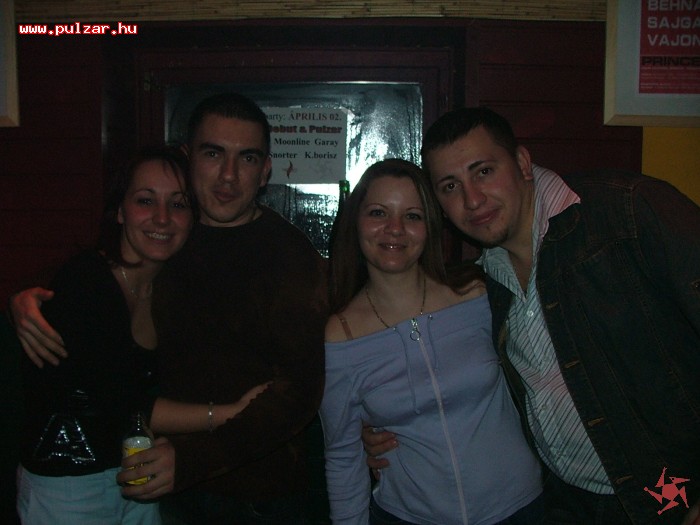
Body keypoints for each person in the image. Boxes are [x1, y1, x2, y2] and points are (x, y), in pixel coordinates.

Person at [362, 108, 700, 524]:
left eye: (484, 171)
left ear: (522, 163)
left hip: (669, 495)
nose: (472, 199)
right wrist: (385, 426)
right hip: (563, 501)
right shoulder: (484, 281)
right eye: (450, 186)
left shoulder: (625, 212)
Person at [12, 94, 327, 523]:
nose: (229, 175)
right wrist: (29, 301)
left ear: (266, 170)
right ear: (188, 157)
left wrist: (194, 458)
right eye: (213, 153)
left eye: (247, 158)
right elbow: (100, 294)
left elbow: (299, 392)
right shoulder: (172, 236)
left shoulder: (290, 258)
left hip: (255, 498)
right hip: (157, 490)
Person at [321, 158, 543, 525]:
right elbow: (343, 456)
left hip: (521, 509)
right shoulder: (340, 336)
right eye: (378, 213)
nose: (395, 229)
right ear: (355, 222)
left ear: (430, 228)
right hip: (407, 517)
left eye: (412, 216)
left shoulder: (477, 295)